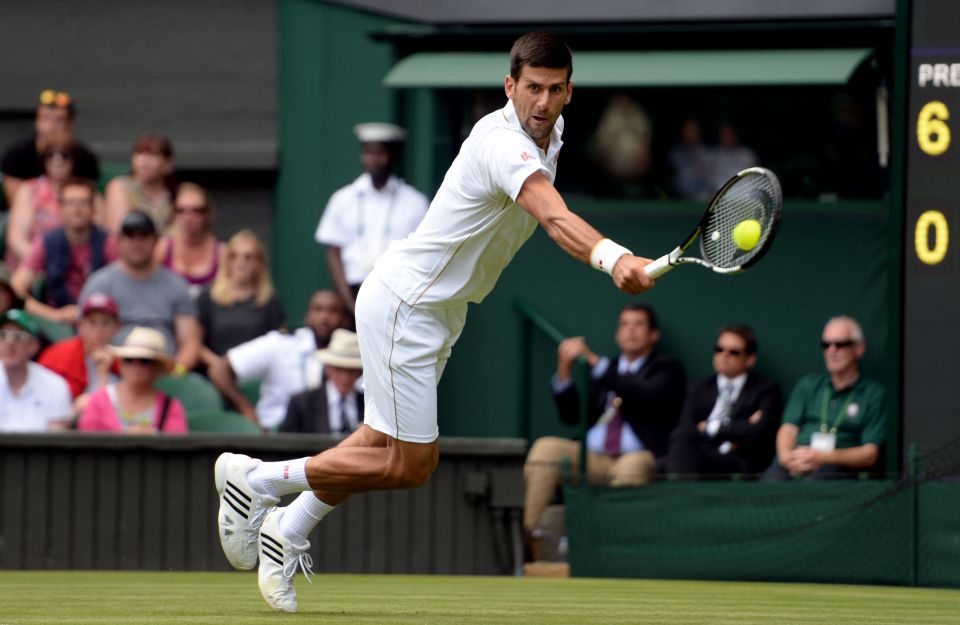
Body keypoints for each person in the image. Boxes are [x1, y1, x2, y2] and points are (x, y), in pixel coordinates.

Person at [213, 32, 654, 613]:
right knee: (411, 463)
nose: (541, 103)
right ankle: (257, 479)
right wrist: (614, 257)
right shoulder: (502, 142)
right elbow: (552, 217)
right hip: (407, 304)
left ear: (569, 91)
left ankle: (288, 529)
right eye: (530, 89)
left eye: (553, 89)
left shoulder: (556, 133)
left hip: (439, 310)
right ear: (509, 87)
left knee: (376, 442)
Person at [523, 303, 685, 548]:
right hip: (594, 458)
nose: (630, 330)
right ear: (617, 333)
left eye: (638, 324)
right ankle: (528, 537)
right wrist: (564, 374)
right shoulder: (604, 368)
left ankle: (604, 546)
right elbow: (572, 416)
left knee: (632, 465)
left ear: (654, 334)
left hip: (640, 456)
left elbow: (642, 394)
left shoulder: (667, 368)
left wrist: (594, 361)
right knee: (546, 449)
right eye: (625, 324)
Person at [314, 122, 428, 315]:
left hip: (397, 294)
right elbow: (333, 252)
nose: (373, 160)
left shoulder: (415, 202)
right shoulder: (343, 198)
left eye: (380, 153)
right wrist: (348, 303)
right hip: (351, 291)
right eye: (368, 153)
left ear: (393, 157)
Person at [78, 210, 201, 372]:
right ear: (119, 241)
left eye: (143, 236)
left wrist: (176, 372)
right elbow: (86, 336)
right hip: (114, 369)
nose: (137, 243)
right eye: (130, 236)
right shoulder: (99, 283)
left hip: (164, 371)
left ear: (156, 240)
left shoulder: (176, 284)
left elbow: (190, 342)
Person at [765, 316, 886, 480]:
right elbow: (788, 429)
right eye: (826, 345)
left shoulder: (873, 393)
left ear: (859, 348)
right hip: (797, 461)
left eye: (840, 344)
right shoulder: (808, 384)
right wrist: (788, 459)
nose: (831, 350)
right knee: (771, 479)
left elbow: (869, 453)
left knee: (820, 479)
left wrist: (824, 457)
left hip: (837, 468)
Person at [207, 289, 347, 431]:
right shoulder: (281, 343)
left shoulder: (355, 354)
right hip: (276, 434)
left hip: (333, 436)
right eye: (318, 310)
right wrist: (248, 411)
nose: (324, 317)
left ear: (344, 319)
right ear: (307, 316)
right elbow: (219, 369)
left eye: (333, 311)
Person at [661, 325, 783, 478]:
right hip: (697, 455)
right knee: (676, 450)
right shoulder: (698, 388)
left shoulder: (765, 390)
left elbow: (757, 433)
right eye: (719, 349)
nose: (724, 355)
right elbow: (683, 431)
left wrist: (711, 427)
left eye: (734, 352)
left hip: (738, 463)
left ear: (750, 359)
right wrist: (738, 430)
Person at [11, 177, 117, 325]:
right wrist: (53, 314)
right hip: (58, 322)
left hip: (101, 321)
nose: (77, 208)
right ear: (59, 209)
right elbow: (16, 289)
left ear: (94, 209)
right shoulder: (46, 242)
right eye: (70, 203)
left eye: (83, 202)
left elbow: (124, 286)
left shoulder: (109, 242)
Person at [196, 229, 284, 370]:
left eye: (248, 257)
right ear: (226, 261)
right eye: (233, 256)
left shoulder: (270, 301)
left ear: (259, 263)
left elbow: (278, 345)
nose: (240, 262)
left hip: (255, 375)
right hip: (213, 375)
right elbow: (195, 344)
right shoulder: (208, 296)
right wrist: (221, 367)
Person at [77, 326, 188, 434]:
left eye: (144, 361)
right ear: (121, 364)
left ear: (157, 367)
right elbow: (88, 445)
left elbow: (177, 447)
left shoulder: (171, 406)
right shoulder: (98, 400)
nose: (135, 366)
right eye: (129, 359)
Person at [1, 89, 100, 206]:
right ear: (37, 122)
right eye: (46, 119)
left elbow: (88, 203)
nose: (52, 126)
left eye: (59, 120)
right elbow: (16, 204)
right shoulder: (17, 156)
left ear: (70, 124)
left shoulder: (84, 158)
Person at [37, 292, 121, 414]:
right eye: (92, 322)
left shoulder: (128, 361)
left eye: (105, 323)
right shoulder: (58, 354)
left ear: (116, 327)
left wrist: (103, 373)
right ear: (80, 325)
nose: (98, 329)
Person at [5, 135, 80, 270]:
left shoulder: (86, 191)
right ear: (43, 160)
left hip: (78, 268)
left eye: (64, 155)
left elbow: (102, 238)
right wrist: (43, 262)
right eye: (50, 155)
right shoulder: (29, 190)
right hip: (32, 266)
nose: (57, 160)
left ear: (74, 159)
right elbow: (16, 239)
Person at [0, 309, 73, 432]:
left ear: (33, 346)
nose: (9, 343)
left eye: (18, 337)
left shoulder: (55, 386)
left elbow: (56, 445)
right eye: (2, 335)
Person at [280, 328, 364, 435]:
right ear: (328, 369)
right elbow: (287, 445)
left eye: (351, 371)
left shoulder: (369, 406)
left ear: (359, 373)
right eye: (339, 369)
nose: (345, 378)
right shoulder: (302, 403)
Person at [153, 182, 223, 298]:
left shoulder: (221, 253)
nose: (188, 217)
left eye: (196, 210)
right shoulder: (163, 247)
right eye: (181, 210)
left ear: (208, 214)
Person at [103, 132, 176, 233]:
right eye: (139, 153)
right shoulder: (120, 186)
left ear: (168, 164)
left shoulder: (179, 192)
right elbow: (118, 232)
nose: (144, 160)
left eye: (153, 154)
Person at [666, 117, 713, 201]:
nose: (690, 133)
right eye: (687, 130)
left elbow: (710, 178)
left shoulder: (707, 152)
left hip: (704, 197)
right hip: (679, 198)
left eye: (693, 130)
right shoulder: (675, 153)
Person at [709, 121, 758, 190]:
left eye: (730, 133)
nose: (728, 137)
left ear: (736, 135)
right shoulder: (713, 155)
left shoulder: (747, 155)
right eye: (724, 134)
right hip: (720, 194)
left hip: (745, 194)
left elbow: (754, 179)